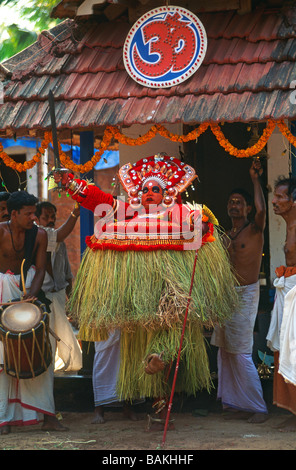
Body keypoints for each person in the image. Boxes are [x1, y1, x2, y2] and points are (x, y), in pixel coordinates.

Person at [53, 154, 238, 426]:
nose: (149, 193)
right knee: (128, 343)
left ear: (167, 193)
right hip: (133, 293)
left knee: (167, 336)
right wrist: (70, 183)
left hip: (167, 288)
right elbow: (97, 200)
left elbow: (203, 228)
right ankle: (133, 398)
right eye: (145, 189)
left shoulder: (180, 211)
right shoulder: (128, 210)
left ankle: (162, 404)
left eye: (155, 189)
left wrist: (202, 223)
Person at [0, 191, 66, 434]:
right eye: (28, 213)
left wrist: (31, 295)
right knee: (3, 357)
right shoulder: (0, 230)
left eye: (33, 212)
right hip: (1, 293)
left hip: (28, 290)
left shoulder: (38, 234)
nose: (33, 217)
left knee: (41, 351)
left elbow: (39, 269)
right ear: (14, 214)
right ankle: (3, 419)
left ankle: (48, 416)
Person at [211, 159, 268, 423]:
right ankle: (233, 401)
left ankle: (258, 407)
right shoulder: (224, 235)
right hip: (226, 295)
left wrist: (255, 179)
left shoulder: (255, 229)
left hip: (246, 293)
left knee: (242, 351)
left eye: (238, 202)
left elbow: (261, 209)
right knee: (225, 350)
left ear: (246, 208)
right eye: (231, 202)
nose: (234, 205)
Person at [35, 201, 82, 372]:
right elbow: (60, 234)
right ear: (37, 219)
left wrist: (73, 302)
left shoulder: (58, 241)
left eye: (53, 217)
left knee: (62, 336)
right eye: (45, 217)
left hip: (59, 295)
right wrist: (75, 213)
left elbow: (67, 275)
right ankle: (47, 370)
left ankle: (58, 369)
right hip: (43, 296)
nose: (50, 220)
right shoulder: (37, 236)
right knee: (46, 338)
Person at [266, 175, 296, 432]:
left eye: (280, 197)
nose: (274, 201)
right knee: (286, 353)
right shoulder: (290, 224)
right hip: (289, 291)